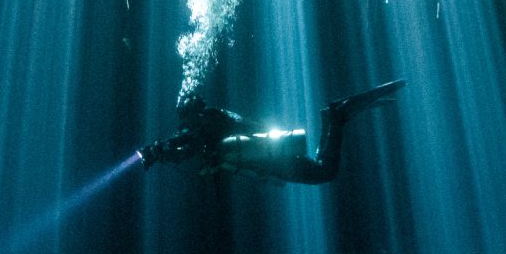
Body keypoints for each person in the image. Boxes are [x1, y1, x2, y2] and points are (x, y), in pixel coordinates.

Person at [141, 80, 405, 183]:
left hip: (273, 158)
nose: (182, 124)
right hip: (272, 153)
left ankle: (337, 116)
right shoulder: (212, 118)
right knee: (320, 166)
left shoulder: (205, 128)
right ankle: (332, 117)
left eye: (183, 117)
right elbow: (188, 144)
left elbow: (189, 147)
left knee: (325, 172)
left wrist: (160, 153)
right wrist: (163, 149)